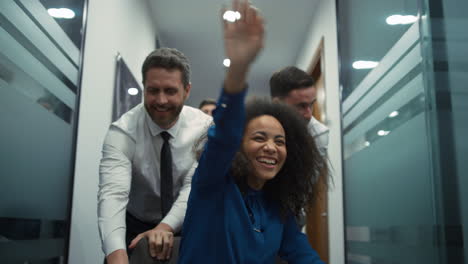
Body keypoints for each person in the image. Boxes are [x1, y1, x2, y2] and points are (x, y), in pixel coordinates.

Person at [178, 1, 326, 263]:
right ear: (238, 146)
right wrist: (238, 69)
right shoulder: (213, 185)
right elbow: (224, 134)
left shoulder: (279, 207)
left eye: (279, 141)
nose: (271, 147)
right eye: (259, 137)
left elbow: (304, 256)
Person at [98, 47, 212, 263]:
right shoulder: (122, 132)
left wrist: (164, 228)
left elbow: (193, 187)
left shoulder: (205, 128)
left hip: (187, 221)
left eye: (170, 91)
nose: (161, 100)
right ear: (144, 88)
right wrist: (116, 254)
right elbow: (112, 194)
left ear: (187, 91)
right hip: (135, 223)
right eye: (153, 90)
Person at [270, 66, 329, 156]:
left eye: (311, 104)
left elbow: (314, 169)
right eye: (301, 106)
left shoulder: (318, 133)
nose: (309, 115)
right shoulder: (253, 128)